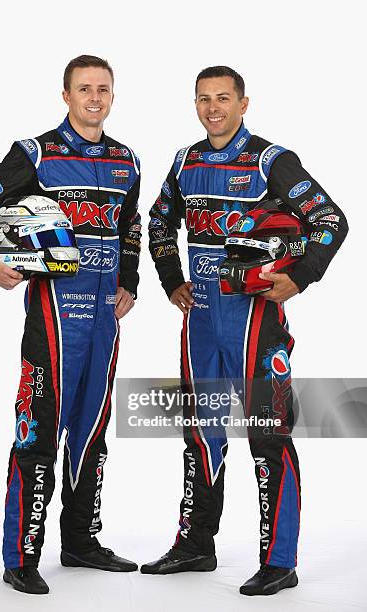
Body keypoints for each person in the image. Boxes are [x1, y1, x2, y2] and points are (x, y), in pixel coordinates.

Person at [142, 65, 348, 596]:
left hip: (255, 318)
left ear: (243, 103)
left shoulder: (271, 160)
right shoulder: (185, 161)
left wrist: (296, 278)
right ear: (196, 105)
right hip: (202, 321)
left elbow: (330, 219)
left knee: (268, 434)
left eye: (224, 99)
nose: (214, 108)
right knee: (200, 433)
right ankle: (195, 546)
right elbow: (160, 220)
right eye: (205, 100)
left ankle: (280, 562)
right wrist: (171, 281)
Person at [0, 55, 142, 595]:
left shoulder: (127, 160)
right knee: (36, 433)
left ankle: (81, 541)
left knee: (92, 432)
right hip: (52, 320)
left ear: (112, 95)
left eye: (103, 89)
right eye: (84, 89)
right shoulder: (35, 154)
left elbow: (130, 226)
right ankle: (21, 556)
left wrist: (129, 279)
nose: (95, 98)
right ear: (66, 96)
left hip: (104, 321)